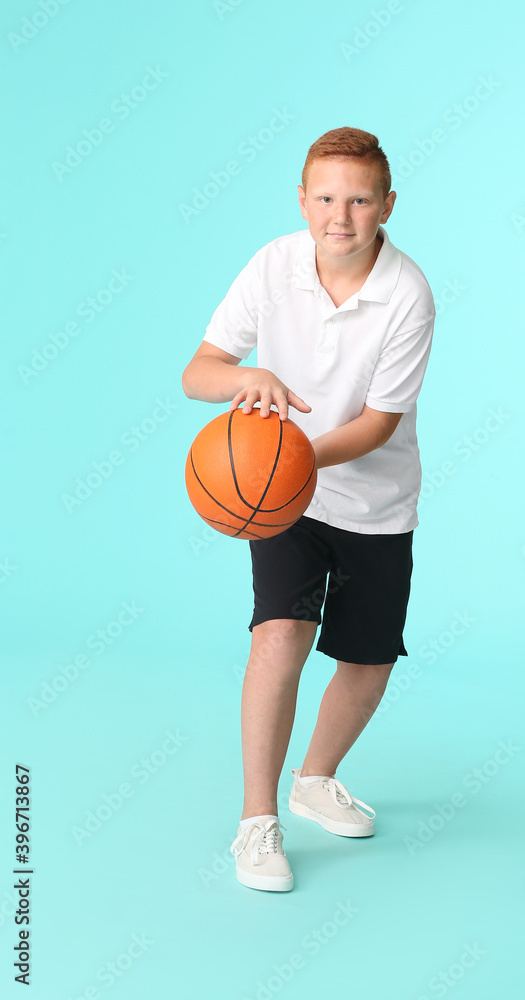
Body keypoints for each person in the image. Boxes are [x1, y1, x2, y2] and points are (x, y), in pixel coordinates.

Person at [182, 126, 435, 892]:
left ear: (386, 204)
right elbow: (200, 372)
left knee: (368, 660)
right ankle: (257, 821)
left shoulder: (409, 294)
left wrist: (289, 459)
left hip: (373, 498)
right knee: (279, 636)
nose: (341, 215)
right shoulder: (272, 265)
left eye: (359, 199)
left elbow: (378, 424)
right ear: (302, 199)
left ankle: (314, 778)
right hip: (285, 503)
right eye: (325, 197)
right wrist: (245, 381)